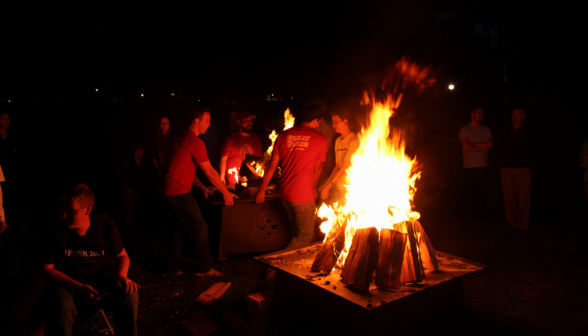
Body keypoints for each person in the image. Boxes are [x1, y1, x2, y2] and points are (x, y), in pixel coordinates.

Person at [40, 184, 139, 336]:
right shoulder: (54, 230)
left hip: (96, 283)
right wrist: (79, 287)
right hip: (66, 286)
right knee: (62, 304)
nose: (63, 215)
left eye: (71, 211)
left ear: (88, 209)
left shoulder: (104, 224)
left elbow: (122, 256)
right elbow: (47, 270)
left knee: (129, 292)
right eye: (61, 209)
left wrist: (121, 276)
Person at [161, 107, 237, 276]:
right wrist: (225, 192)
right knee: (200, 228)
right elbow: (210, 172)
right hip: (177, 192)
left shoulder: (179, 137)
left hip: (167, 190)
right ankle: (204, 269)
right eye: (207, 120)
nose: (209, 125)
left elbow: (182, 168)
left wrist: (202, 187)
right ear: (197, 121)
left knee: (177, 230)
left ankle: (170, 269)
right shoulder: (195, 142)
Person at [256, 103, 327, 248]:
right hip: (303, 197)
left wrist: (262, 189)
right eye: (319, 122)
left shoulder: (283, 136)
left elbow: (271, 167)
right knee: (304, 237)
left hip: (285, 195)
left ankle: (298, 268)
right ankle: (275, 268)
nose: (319, 125)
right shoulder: (320, 139)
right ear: (315, 120)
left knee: (296, 233)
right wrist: (313, 189)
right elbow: (317, 170)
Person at [454, 107, 493, 225]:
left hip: (483, 166)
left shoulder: (486, 130)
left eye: (483, 113)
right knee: (463, 194)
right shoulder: (464, 129)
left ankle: (478, 218)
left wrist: (472, 146)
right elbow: (465, 147)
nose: (482, 115)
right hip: (468, 167)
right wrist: (481, 146)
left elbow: (490, 144)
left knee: (481, 194)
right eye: (479, 113)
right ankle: (457, 217)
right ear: (472, 114)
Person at [497, 108, 533, 230]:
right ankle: (511, 222)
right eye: (513, 115)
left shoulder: (529, 133)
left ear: (523, 117)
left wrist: (530, 168)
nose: (515, 117)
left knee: (523, 198)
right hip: (507, 169)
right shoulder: (506, 132)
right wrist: (501, 166)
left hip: (523, 169)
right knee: (508, 197)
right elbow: (500, 148)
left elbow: (534, 151)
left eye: (518, 115)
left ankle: (522, 224)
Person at [318, 107, 359, 205]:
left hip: (350, 188)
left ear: (345, 121)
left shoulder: (354, 141)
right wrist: (327, 184)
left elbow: (345, 167)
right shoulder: (338, 141)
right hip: (339, 185)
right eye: (332, 122)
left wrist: (328, 187)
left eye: (335, 122)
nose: (333, 125)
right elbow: (337, 166)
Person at [219, 111, 263, 185]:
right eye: (246, 121)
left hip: (250, 183)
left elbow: (259, 162)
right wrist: (221, 178)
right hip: (232, 184)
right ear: (239, 122)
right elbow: (223, 159)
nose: (249, 123)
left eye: (250, 120)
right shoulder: (231, 138)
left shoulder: (257, 139)